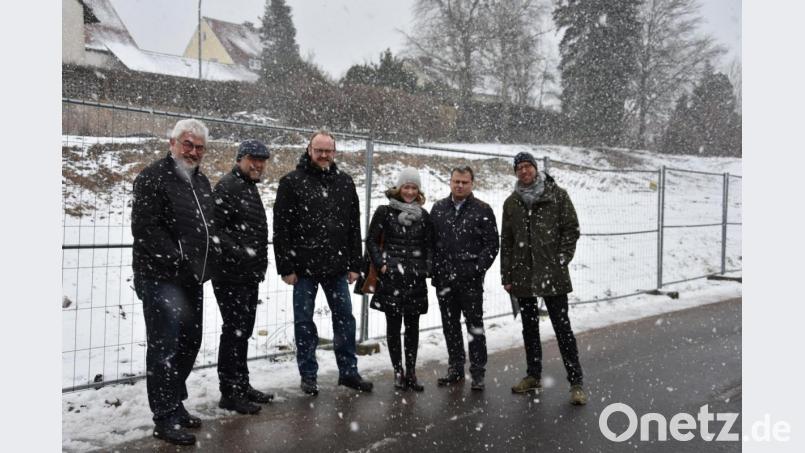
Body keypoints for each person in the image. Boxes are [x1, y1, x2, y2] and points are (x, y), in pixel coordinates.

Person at [131, 118, 219, 446]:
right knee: (164, 348)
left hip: (192, 277)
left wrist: (210, 257)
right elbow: (146, 228)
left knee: (190, 342)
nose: (193, 151)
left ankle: (175, 402)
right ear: (172, 143)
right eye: (188, 144)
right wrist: (177, 257)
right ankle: (164, 415)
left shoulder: (202, 181)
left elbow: (207, 227)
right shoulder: (153, 178)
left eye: (199, 147)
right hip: (159, 277)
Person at [273, 130, 373, 395]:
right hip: (303, 269)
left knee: (345, 321)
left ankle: (349, 372)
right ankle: (308, 375)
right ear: (309, 150)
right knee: (304, 323)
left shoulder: (345, 182)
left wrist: (355, 264)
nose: (324, 155)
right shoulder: (291, 182)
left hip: (337, 267)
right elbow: (281, 228)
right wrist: (286, 267)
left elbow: (353, 226)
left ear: (335, 152)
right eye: (319, 150)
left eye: (328, 150)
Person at [501, 152, 588, 405]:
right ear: (516, 172)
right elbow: (506, 241)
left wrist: (562, 258)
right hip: (523, 274)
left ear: (535, 169)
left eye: (528, 166)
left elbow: (571, 229)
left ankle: (576, 382)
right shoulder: (512, 203)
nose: (524, 171)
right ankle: (533, 375)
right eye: (520, 168)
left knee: (563, 329)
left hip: (553, 272)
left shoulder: (556, 195)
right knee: (529, 328)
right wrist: (507, 275)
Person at [211, 139, 275, 415]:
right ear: (240, 159)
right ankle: (230, 392)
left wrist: (255, 262)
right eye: (253, 159)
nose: (258, 164)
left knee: (242, 332)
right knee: (234, 332)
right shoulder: (228, 186)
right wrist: (241, 253)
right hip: (231, 275)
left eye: (262, 160)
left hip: (247, 275)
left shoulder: (247, 187)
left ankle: (242, 384)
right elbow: (216, 230)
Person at [430, 166, 499, 390]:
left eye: (464, 182)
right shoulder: (439, 209)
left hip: (470, 281)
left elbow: (491, 245)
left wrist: (477, 268)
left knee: (474, 327)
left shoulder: (483, 210)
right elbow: (430, 243)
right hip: (444, 281)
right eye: (456, 181)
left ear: (472, 184)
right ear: (450, 182)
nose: (459, 185)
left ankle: (478, 372)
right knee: (450, 326)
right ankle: (455, 368)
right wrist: (435, 269)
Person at [366, 168, 433, 392]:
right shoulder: (385, 212)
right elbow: (372, 241)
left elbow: (430, 246)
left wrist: (426, 268)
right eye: (406, 187)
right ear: (399, 188)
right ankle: (398, 371)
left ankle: (411, 372)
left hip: (415, 280)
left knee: (412, 328)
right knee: (393, 327)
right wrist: (382, 264)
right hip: (391, 279)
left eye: (414, 187)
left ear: (418, 190)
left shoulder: (424, 216)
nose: (410, 191)